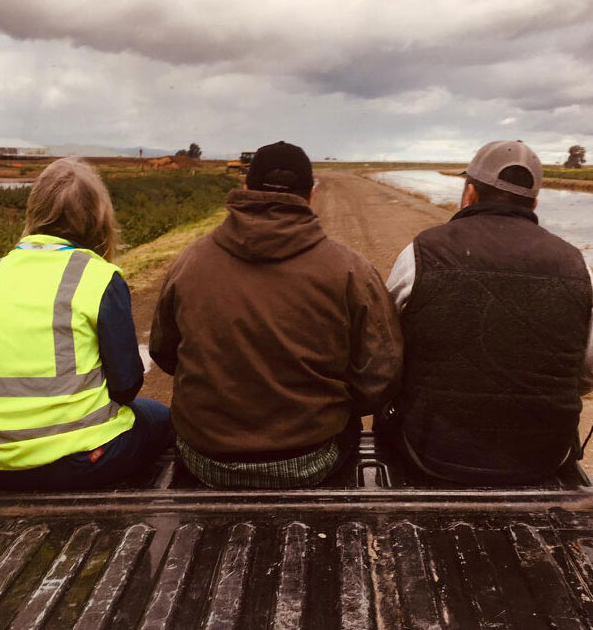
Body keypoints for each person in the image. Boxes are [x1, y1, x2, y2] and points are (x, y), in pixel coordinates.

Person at [149, 141, 403, 488]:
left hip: (206, 460)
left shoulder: (190, 260)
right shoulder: (351, 270)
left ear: (244, 189)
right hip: (312, 461)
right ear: (310, 196)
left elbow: (164, 352)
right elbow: (380, 375)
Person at [382, 140, 593, 484]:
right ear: (535, 203)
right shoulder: (575, 262)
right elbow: (584, 372)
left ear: (469, 194)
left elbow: (387, 353)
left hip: (431, 452)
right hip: (544, 455)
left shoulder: (421, 250)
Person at [0, 158, 173, 490]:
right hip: (84, 461)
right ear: (97, 217)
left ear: (35, 211)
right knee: (161, 418)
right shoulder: (99, 277)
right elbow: (126, 386)